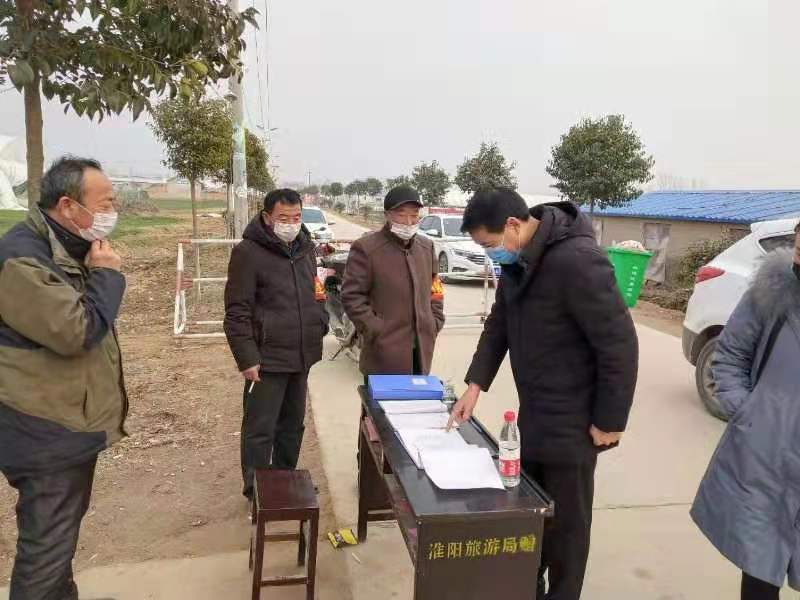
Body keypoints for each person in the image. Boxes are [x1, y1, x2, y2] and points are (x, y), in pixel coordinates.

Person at [449, 188, 638, 600]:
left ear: (512, 226)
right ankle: (527, 588)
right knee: (530, 515)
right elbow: (499, 323)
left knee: (568, 530)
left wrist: (610, 420)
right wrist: (475, 385)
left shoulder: (577, 260)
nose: (490, 254)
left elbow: (619, 344)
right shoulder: (518, 261)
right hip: (534, 413)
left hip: (574, 424)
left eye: (489, 244)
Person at [0, 157, 127, 600]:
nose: (113, 211)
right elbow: (77, 331)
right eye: (105, 203)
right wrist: (107, 275)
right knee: (45, 554)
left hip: (65, 423)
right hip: (44, 429)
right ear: (69, 206)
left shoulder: (65, 247)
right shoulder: (21, 259)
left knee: (57, 548)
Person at [691, 224, 800, 600]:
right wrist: (748, 412)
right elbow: (731, 354)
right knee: (759, 568)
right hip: (765, 456)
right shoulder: (772, 292)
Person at [224, 188, 328, 500]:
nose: (291, 224)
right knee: (260, 428)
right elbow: (237, 311)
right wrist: (247, 357)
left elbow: (316, 291)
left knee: (292, 426)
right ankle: (256, 490)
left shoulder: (305, 248)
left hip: (301, 354)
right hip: (266, 358)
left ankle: (284, 481)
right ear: (267, 217)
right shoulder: (248, 253)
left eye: (296, 218)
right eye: (284, 218)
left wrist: (320, 322)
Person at [342, 185, 445, 380]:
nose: (409, 222)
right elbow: (352, 296)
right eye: (401, 214)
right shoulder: (366, 248)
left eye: (414, 215)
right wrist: (375, 328)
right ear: (387, 215)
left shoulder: (426, 247)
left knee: (417, 398)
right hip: (383, 354)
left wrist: (434, 321)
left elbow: (436, 289)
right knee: (382, 401)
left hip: (421, 351)